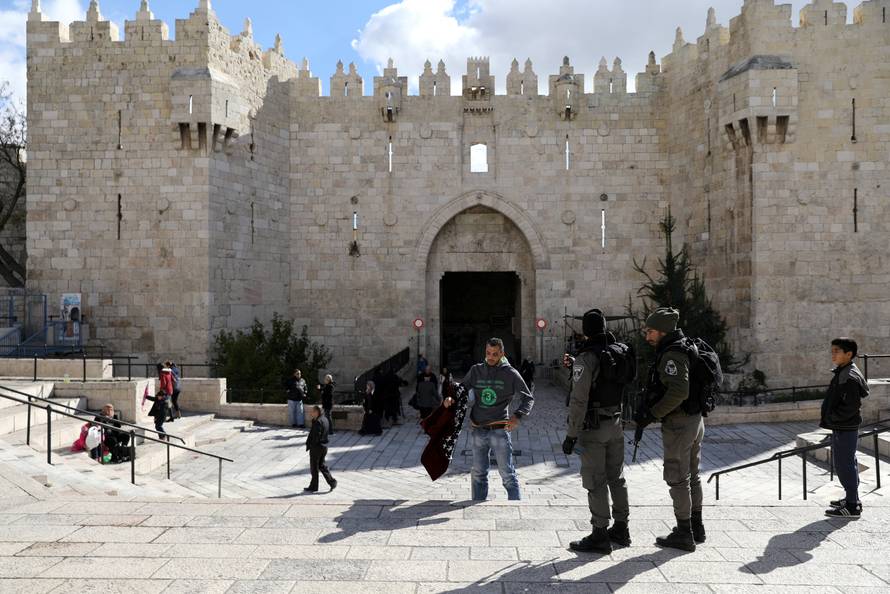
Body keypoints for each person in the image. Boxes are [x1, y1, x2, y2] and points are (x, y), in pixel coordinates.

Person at [562, 309, 631, 554]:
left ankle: (600, 533)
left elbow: (579, 401)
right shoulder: (615, 351)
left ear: (585, 330)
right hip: (616, 423)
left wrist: (571, 435)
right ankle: (622, 528)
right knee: (617, 477)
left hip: (594, 427)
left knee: (595, 480)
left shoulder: (587, 357)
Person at [635, 307, 703, 552]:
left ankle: (684, 532)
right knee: (692, 474)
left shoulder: (672, 354)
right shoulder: (681, 345)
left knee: (677, 476)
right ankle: (697, 527)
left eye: (650, 331)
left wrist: (653, 414)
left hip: (680, 423)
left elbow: (678, 392)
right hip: (694, 420)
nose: (647, 336)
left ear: (663, 331)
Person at [444, 337, 534, 501]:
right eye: (488, 353)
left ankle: (517, 508)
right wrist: (451, 398)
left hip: (499, 431)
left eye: (495, 354)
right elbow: (462, 390)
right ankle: (477, 507)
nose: (490, 357)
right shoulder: (476, 370)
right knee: (478, 473)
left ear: (502, 354)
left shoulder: (510, 373)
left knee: (507, 474)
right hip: (478, 430)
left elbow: (528, 398)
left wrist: (517, 415)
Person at [820, 337, 869, 518]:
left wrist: (832, 419)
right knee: (848, 463)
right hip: (844, 426)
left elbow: (850, 406)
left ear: (849, 354)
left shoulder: (848, 377)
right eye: (832, 350)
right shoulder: (844, 371)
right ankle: (851, 498)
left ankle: (852, 505)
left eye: (837, 351)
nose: (833, 354)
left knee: (844, 465)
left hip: (844, 426)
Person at [304, 405, 337, 492]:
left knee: (314, 468)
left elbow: (316, 435)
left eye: (312, 411)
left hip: (317, 447)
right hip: (324, 446)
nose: (311, 413)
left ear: (317, 412)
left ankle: (314, 486)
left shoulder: (318, 421)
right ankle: (332, 482)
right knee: (322, 466)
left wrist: (312, 445)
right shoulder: (325, 419)